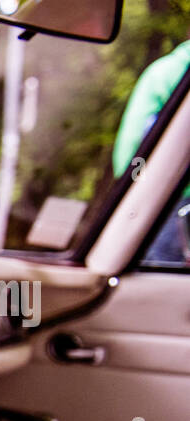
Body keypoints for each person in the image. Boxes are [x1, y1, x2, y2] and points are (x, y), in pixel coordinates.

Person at [113, 33, 190, 265]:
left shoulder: (163, 71)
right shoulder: (176, 73)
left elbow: (137, 140)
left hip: (162, 199)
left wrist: (135, 182)